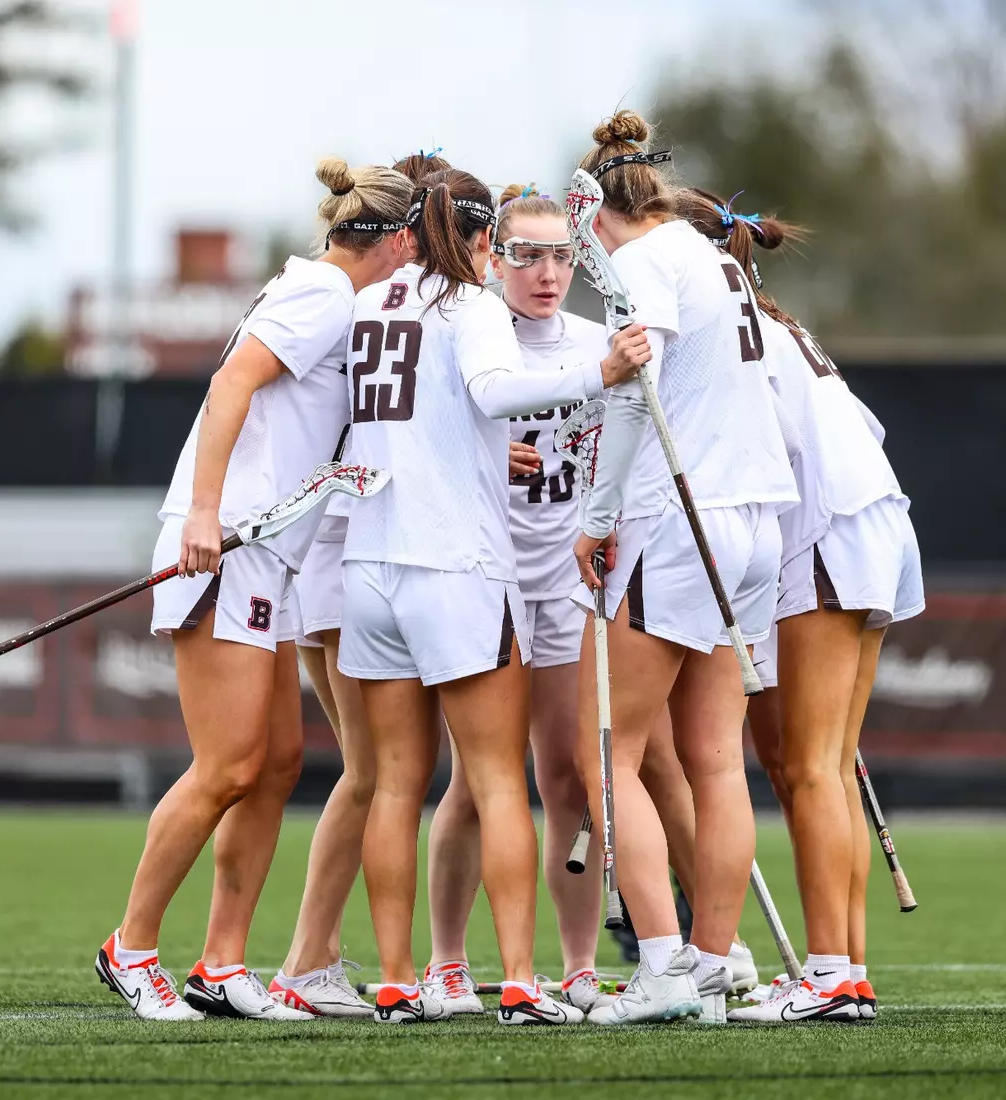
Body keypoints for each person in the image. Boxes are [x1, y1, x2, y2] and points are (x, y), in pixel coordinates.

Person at [94, 158, 415, 1021]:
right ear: (393, 240)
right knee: (228, 764)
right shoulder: (322, 296)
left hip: (267, 553)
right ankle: (130, 946)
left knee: (272, 765)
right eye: (415, 238)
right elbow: (229, 384)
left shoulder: (330, 295)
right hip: (224, 545)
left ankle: (223, 964)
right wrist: (203, 512)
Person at [339, 166, 649, 1025]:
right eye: (516, 252)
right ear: (484, 243)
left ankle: (400, 983)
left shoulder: (370, 303)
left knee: (398, 783)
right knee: (494, 783)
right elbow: (489, 392)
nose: (540, 271)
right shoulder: (470, 304)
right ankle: (516, 981)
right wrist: (602, 376)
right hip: (459, 569)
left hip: (370, 567)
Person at [662, 187, 922, 1024]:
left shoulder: (730, 338)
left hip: (821, 533)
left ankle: (830, 973)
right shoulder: (779, 326)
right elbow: (866, 432)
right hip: (870, 523)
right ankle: (844, 969)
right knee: (819, 764)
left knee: (806, 766)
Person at [568, 111, 798, 1026]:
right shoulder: (716, 256)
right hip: (752, 524)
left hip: (682, 516)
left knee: (608, 749)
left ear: (593, 209)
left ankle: (663, 965)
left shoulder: (644, 261)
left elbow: (635, 384)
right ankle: (711, 965)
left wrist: (596, 515)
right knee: (714, 762)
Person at [269, 150, 458, 1020]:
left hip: (337, 551)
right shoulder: (371, 303)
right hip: (348, 549)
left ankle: (316, 958)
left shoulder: (364, 301)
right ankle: (309, 960)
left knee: (370, 772)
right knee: (375, 774)